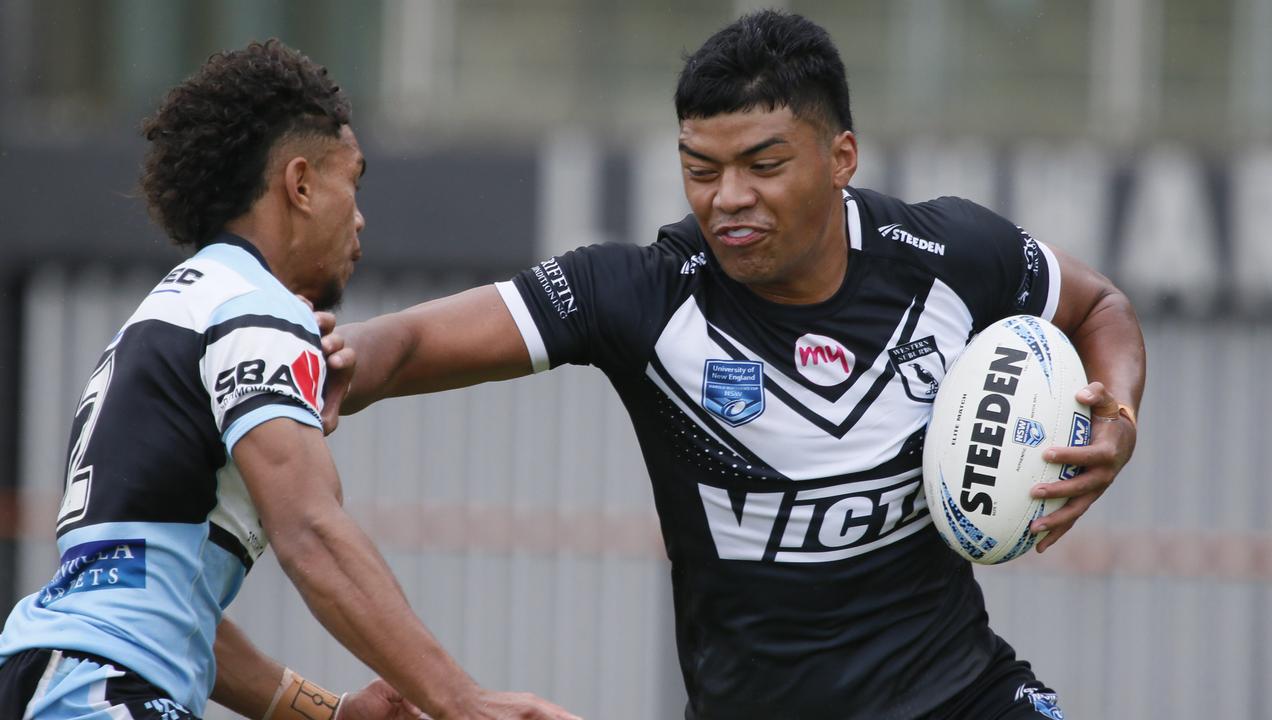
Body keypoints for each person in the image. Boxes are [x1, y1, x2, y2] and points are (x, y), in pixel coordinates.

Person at [322, 11, 1145, 720]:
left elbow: (1099, 305)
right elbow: (415, 341)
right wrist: (341, 364)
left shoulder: (947, 254)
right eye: (700, 169)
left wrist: (1119, 420)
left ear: (841, 157)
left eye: (764, 165)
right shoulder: (642, 296)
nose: (727, 198)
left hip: (961, 694)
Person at [0, 40, 578, 720]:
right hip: (105, 696)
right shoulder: (255, 306)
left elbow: (164, 605)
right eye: (353, 183)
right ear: (299, 184)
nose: (359, 218)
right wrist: (462, 702)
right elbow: (310, 528)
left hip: (50, 678)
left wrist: (327, 713)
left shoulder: (166, 314)